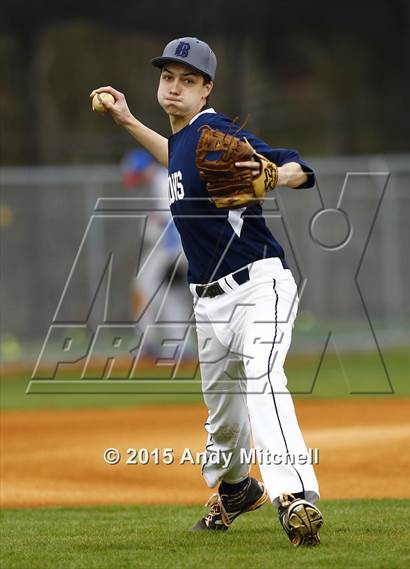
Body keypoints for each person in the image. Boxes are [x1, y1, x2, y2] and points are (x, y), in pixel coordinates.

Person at [90, 36, 323, 547]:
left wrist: (277, 175)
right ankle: (236, 490)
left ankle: (295, 496)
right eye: (168, 78)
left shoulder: (215, 134)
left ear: (206, 89)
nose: (175, 88)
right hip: (208, 300)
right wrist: (127, 120)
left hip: (260, 285)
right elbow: (173, 155)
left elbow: (300, 167)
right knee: (223, 420)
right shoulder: (183, 142)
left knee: (263, 378)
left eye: (188, 80)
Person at [121, 148, 190, 357]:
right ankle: (180, 346)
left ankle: (148, 342)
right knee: (170, 296)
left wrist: (174, 255)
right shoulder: (159, 180)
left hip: (171, 249)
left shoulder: (161, 181)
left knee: (144, 288)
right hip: (174, 248)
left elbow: (173, 221)